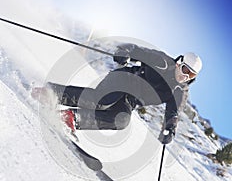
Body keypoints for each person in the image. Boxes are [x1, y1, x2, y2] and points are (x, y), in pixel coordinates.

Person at [32, 43, 202, 144]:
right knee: (102, 101)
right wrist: (124, 53)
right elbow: (134, 49)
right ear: (180, 62)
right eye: (185, 70)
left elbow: (174, 112)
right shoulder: (163, 61)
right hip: (124, 79)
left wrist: (170, 129)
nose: (185, 76)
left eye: (191, 75)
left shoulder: (180, 91)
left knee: (121, 120)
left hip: (131, 100)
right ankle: (50, 93)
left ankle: (71, 117)